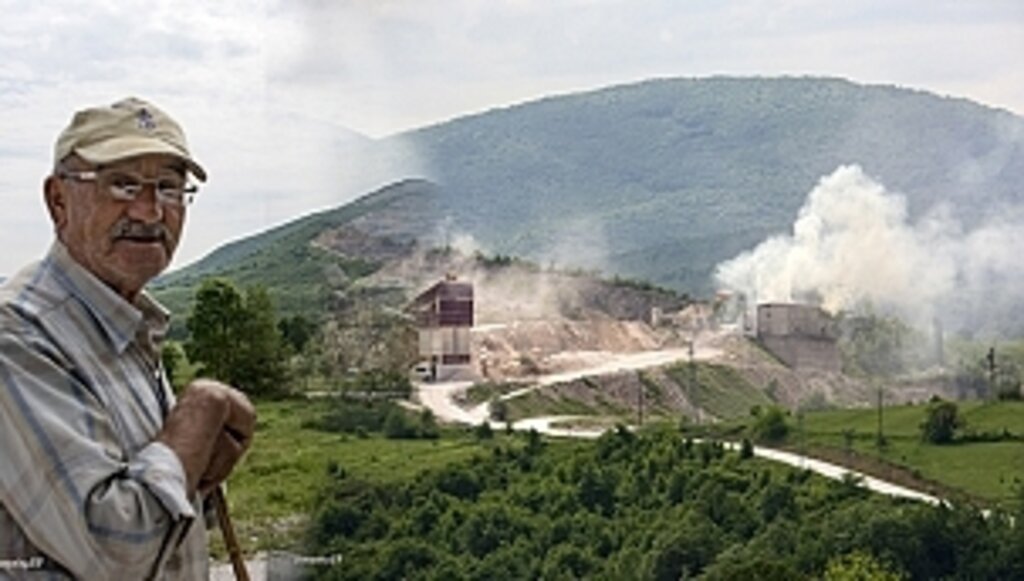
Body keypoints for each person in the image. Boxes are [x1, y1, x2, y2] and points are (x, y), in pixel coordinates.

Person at [0, 98, 256, 579]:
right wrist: (198, 414)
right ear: (58, 200)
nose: (149, 210)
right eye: (121, 184)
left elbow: (163, 517)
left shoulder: (123, 322)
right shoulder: (18, 333)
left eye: (169, 187)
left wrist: (195, 470)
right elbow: (118, 555)